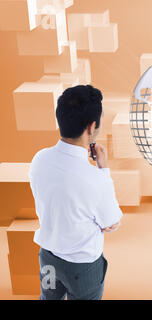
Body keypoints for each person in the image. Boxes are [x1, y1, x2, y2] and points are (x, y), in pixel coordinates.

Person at [28, 85, 123, 300]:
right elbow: (112, 221)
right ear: (91, 127)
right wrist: (103, 170)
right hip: (82, 268)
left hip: (48, 259)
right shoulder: (95, 179)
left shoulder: (39, 159)